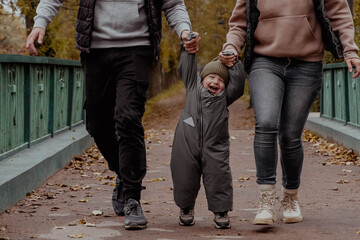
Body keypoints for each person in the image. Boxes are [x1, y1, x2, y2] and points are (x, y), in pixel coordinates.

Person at [26, 0, 201, 230]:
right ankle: (122, 172)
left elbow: (173, 4)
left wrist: (184, 31)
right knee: (96, 124)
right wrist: (40, 23)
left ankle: (132, 198)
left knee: (128, 118)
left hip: (137, 49)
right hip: (96, 50)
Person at [219, 0, 360, 225]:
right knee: (265, 124)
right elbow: (239, 23)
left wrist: (349, 50)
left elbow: (339, 14)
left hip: (307, 63)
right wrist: (231, 47)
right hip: (265, 61)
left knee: (289, 136)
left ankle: (290, 197)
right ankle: (266, 200)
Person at [171, 35, 246, 229]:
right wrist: (188, 46)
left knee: (219, 176)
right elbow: (187, 66)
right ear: (203, 78)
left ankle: (221, 211)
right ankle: (186, 208)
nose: (215, 82)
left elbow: (238, 84)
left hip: (215, 146)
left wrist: (233, 61)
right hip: (186, 144)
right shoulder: (193, 88)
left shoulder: (225, 97)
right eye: (211, 77)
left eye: (221, 80)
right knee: (184, 175)